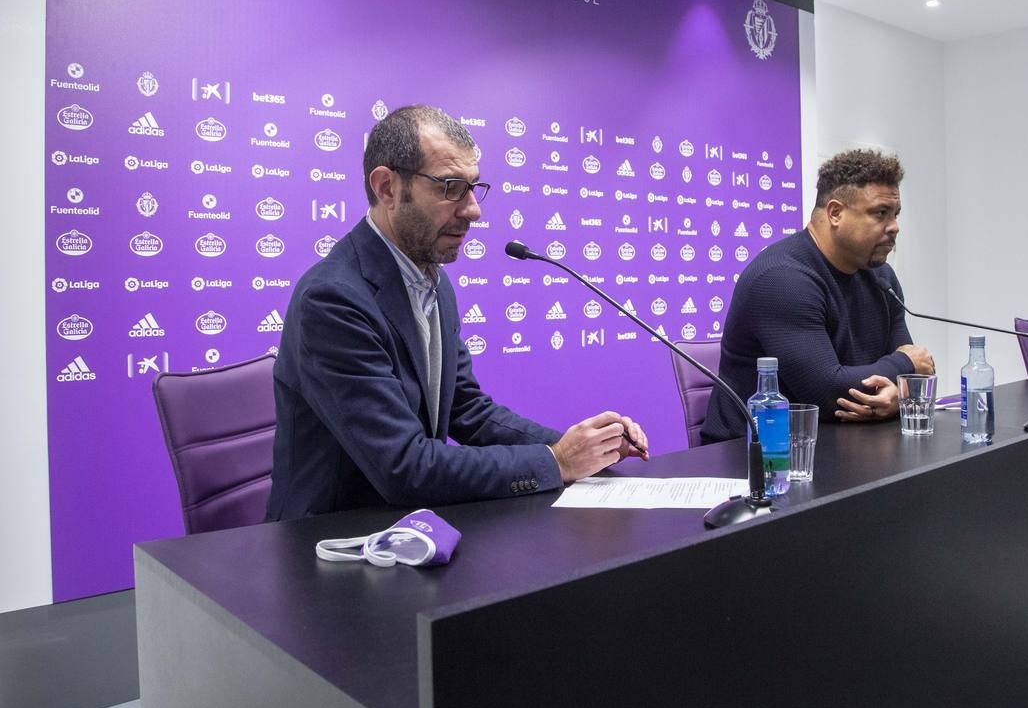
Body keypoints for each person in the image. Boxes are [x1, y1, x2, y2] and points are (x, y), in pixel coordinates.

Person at [266, 105, 648, 520]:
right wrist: (555, 462)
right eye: (450, 187)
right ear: (387, 188)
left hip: (405, 531)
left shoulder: (432, 281)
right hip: (329, 544)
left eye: (472, 187)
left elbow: (467, 411)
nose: (472, 210)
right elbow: (403, 468)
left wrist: (581, 447)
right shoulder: (333, 299)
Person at [701, 149, 934, 443]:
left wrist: (898, 395)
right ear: (835, 213)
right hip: (756, 454)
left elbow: (915, 376)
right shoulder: (780, 279)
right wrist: (903, 367)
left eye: (895, 214)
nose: (894, 226)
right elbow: (829, 391)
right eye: (880, 213)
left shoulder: (881, 277)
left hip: (840, 442)